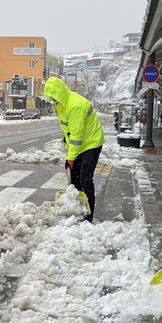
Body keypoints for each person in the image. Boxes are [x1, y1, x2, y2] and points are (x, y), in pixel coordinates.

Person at [43, 77, 105, 223]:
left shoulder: (75, 105)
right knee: (75, 180)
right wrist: (68, 150)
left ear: (59, 93)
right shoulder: (61, 104)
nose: (52, 100)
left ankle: (88, 216)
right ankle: (76, 209)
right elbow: (69, 131)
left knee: (85, 178)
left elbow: (77, 135)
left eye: (53, 97)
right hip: (79, 145)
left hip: (91, 143)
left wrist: (70, 158)